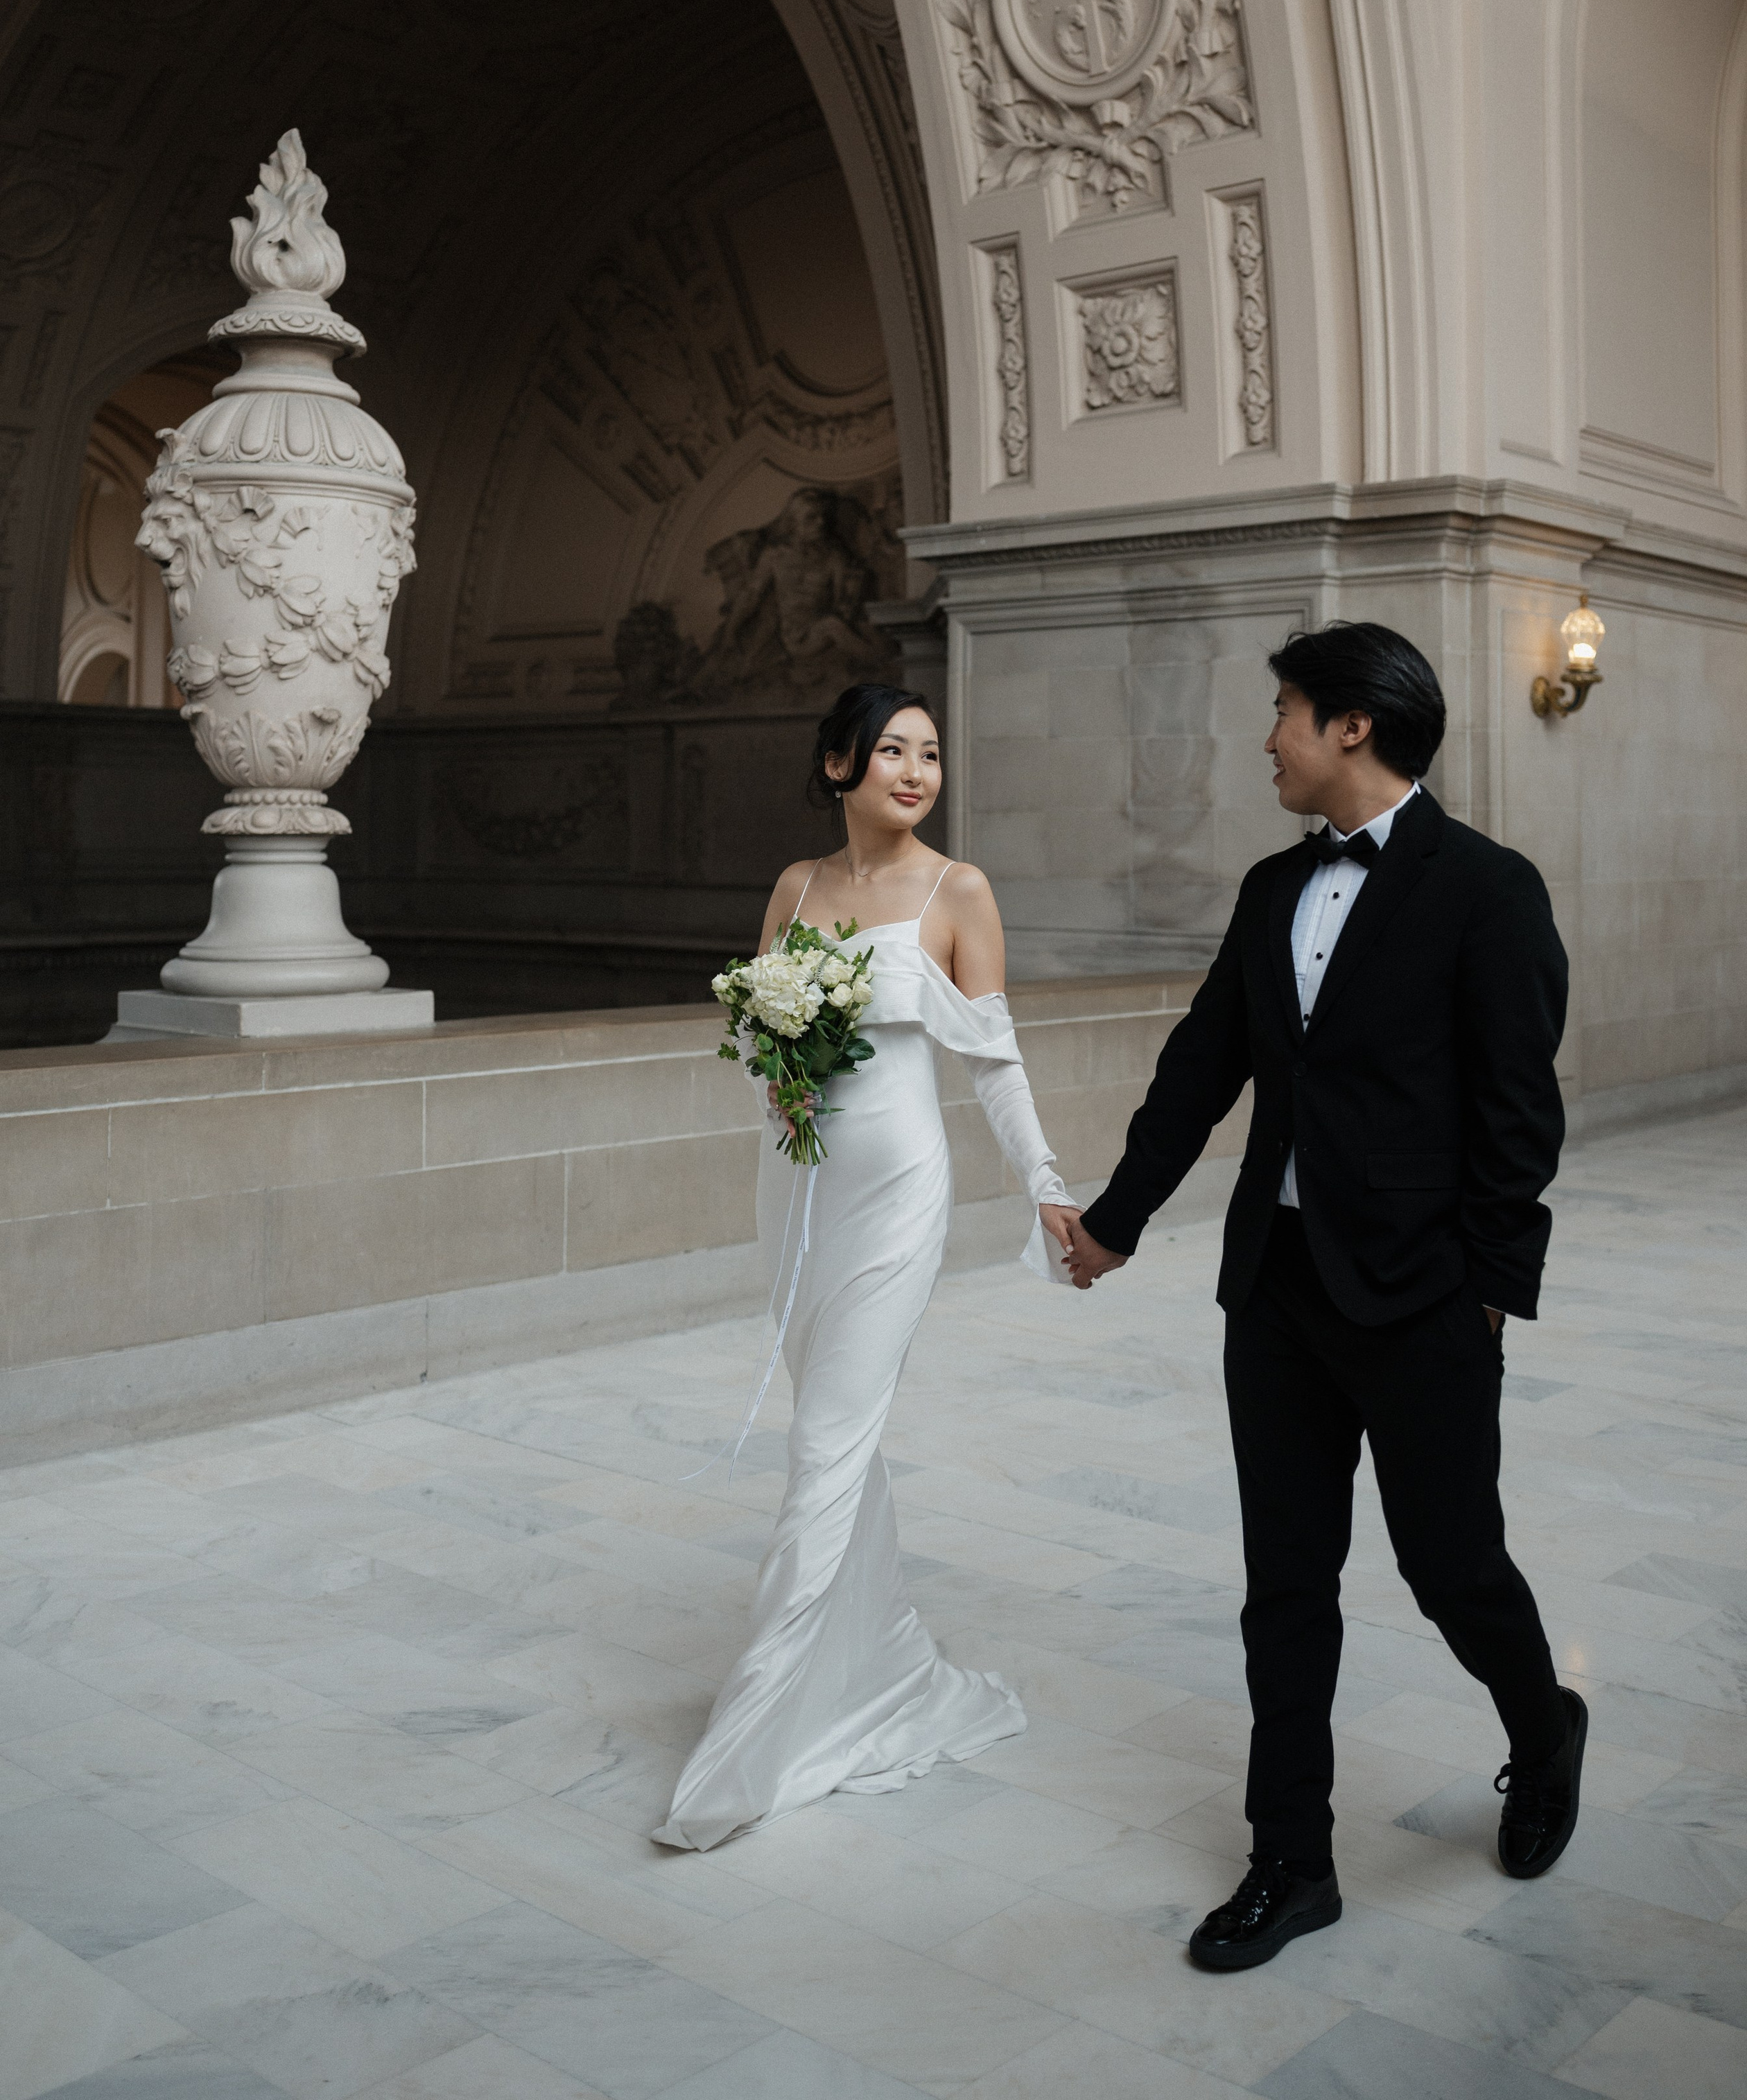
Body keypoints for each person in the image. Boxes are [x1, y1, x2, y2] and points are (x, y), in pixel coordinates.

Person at [1049, 621, 1584, 1970]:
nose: (1267, 737)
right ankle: (1290, 1862)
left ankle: (1543, 1727)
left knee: (1447, 1566)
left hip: (1420, 1304)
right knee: (1283, 1585)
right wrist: (1115, 1219)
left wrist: (1484, 1296)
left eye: (1283, 711)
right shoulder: (1264, 888)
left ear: (1351, 724)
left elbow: (1519, 1115)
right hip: (1274, 1293)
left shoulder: (1486, 888)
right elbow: (1199, 1067)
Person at [653, 682, 1081, 1850]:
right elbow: (753, 1037)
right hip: (796, 1184)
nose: (915, 770)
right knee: (832, 1432)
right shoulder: (796, 888)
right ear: (839, 762)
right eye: (891, 750)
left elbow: (993, 1060)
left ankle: (761, 1728)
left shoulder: (959, 891)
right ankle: (871, 1665)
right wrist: (780, 1056)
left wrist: (1044, 1185)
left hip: (898, 1191)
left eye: (930, 754)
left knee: (826, 1439)